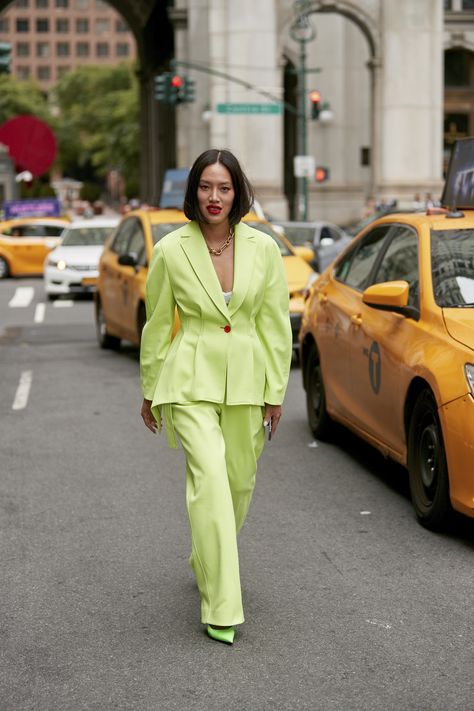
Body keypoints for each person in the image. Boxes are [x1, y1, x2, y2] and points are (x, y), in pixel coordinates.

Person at [140, 148, 292, 645]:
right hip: (189, 382)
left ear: (237, 192)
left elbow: (274, 326)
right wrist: (150, 390)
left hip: (248, 381)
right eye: (206, 186)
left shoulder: (264, 249)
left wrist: (275, 391)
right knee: (209, 482)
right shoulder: (170, 250)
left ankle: (205, 553)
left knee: (237, 487)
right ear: (193, 190)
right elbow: (158, 324)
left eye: (224, 188)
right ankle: (221, 605)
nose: (214, 196)